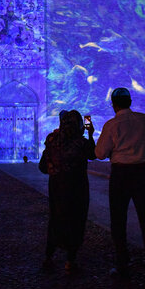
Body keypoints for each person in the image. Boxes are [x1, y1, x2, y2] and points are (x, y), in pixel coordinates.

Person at [95, 88, 145, 280]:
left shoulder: (112, 125)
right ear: (130, 101)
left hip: (121, 174)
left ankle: (123, 262)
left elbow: (100, 154)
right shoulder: (144, 120)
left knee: (118, 219)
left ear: (114, 105)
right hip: (142, 172)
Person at [39, 110, 96, 273]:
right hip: (77, 188)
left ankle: (49, 257)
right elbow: (93, 155)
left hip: (57, 188)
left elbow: (43, 167)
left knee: (56, 220)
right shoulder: (81, 143)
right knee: (76, 222)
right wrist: (91, 134)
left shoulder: (52, 140)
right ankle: (70, 261)